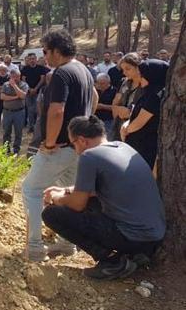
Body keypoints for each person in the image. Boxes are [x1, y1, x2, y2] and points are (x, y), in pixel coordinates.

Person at [42, 115, 165, 280]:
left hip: (133, 237)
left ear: (82, 141)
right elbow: (98, 188)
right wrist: (66, 190)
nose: (75, 150)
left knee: (51, 214)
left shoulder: (89, 156)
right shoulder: (122, 146)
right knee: (91, 202)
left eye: (73, 144)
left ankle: (111, 261)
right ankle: (134, 255)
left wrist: (56, 198)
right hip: (155, 237)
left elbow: (78, 204)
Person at [21, 29, 97, 262]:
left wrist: (50, 142)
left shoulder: (62, 74)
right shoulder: (84, 70)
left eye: (45, 51)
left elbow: (56, 111)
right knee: (67, 192)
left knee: (31, 190)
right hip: (78, 147)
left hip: (60, 146)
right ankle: (67, 244)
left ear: (56, 50)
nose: (44, 56)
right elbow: (94, 98)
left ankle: (34, 247)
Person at [121, 59, 169, 170]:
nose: (139, 77)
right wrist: (126, 124)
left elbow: (139, 123)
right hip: (136, 147)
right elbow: (135, 113)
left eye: (142, 75)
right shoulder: (147, 92)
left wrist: (125, 131)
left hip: (144, 149)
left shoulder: (155, 96)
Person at [110, 53, 143, 141]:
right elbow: (115, 103)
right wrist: (119, 111)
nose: (124, 72)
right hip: (119, 126)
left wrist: (130, 113)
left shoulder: (145, 85)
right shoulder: (124, 83)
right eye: (123, 69)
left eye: (128, 69)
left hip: (137, 129)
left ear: (138, 67)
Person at [1, 70, 29, 155]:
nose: (14, 78)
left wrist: (14, 86)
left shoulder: (24, 85)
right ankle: (6, 150)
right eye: (12, 77)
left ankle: (16, 150)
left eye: (16, 76)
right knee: (6, 132)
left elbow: (23, 96)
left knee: (18, 132)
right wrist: (16, 97)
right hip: (7, 112)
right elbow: (2, 97)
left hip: (19, 112)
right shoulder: (5, 85)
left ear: (19, 76)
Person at [20, 53, 49, 134]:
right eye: (30, 59)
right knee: (29, 110)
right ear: (28, 60)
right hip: (28, 92)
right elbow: (23, 79)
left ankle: (38, 127)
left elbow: (42, 79)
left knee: (37, 109)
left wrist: (35, 89)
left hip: (38, 91)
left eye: (33, 58)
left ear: (36, 59)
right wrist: (29, 88)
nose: (32, 60)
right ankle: (31, 127)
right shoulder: (25, 69)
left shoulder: (41, 68)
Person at [93, 73, 116, 138]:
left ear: (108, 82)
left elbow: (116, 108)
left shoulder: (114, 91)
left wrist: (102, 106)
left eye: (102, 83)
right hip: (95, 120)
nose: (100, 85)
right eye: (98, 83)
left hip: (108, 120)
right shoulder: (95, 91)